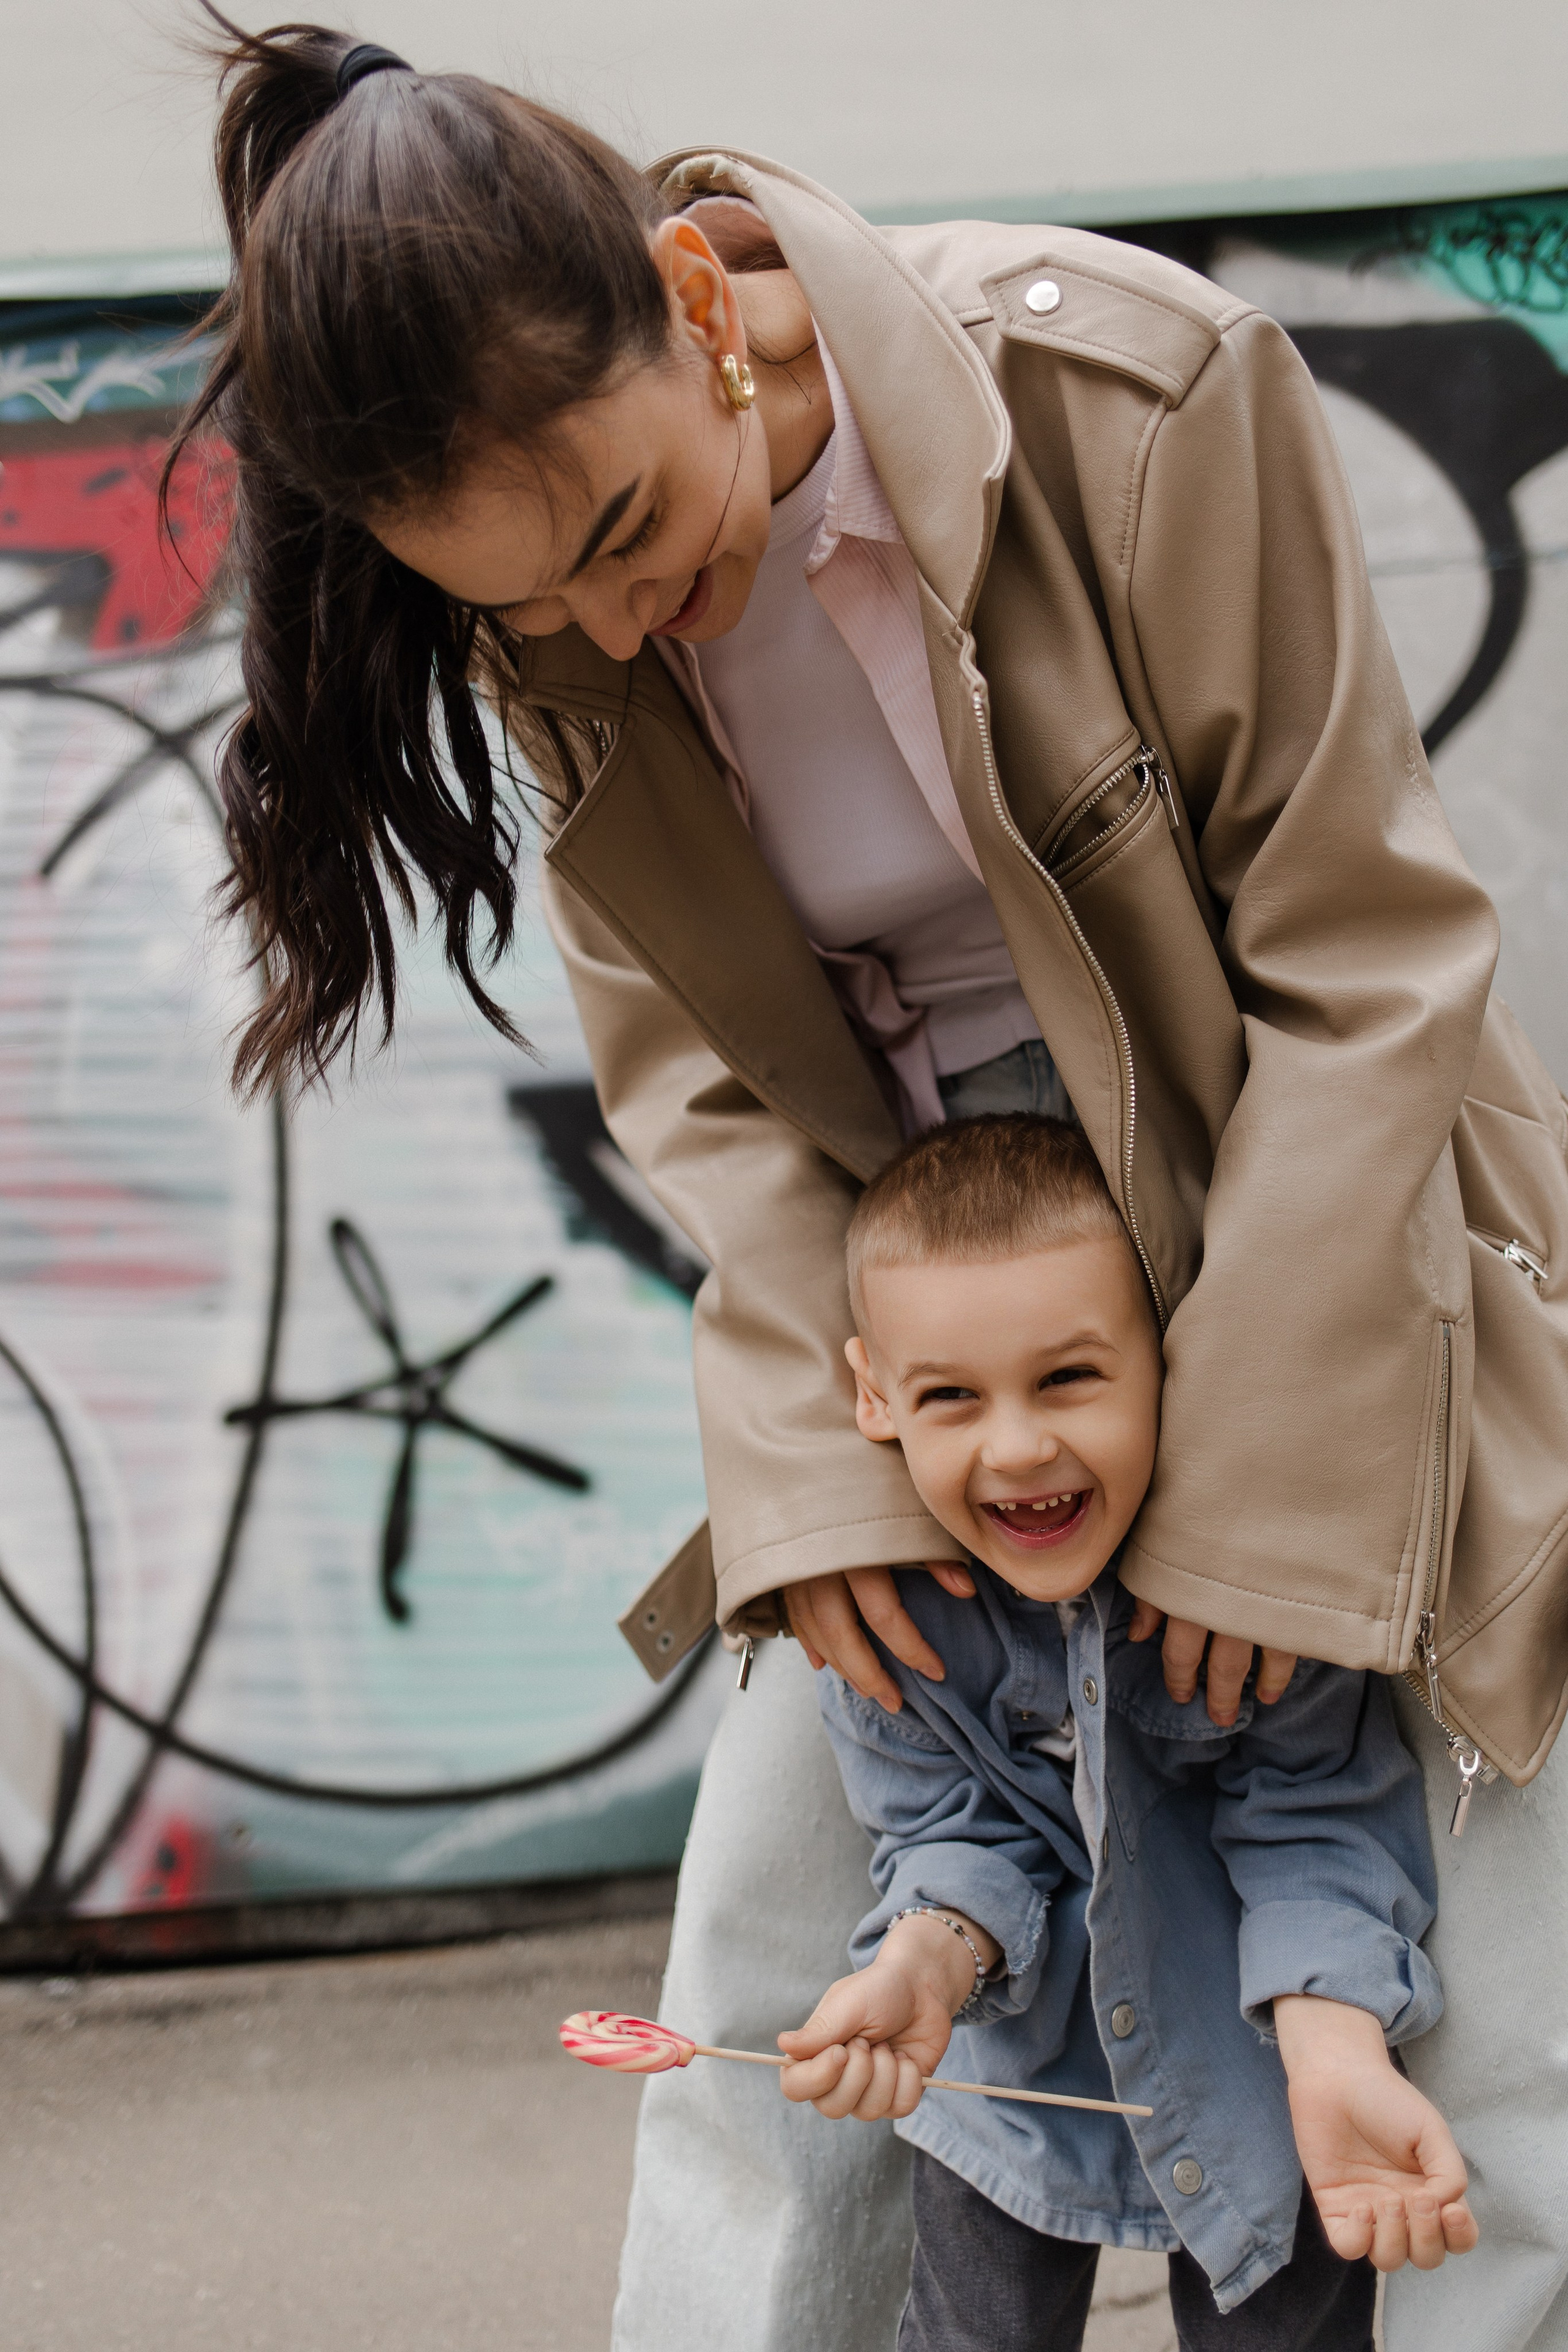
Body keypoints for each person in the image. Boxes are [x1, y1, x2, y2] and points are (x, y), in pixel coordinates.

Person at [177, 18, 1568, 2351]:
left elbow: (1367, 954)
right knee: (783, 1948)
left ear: (702, 304)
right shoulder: (556, 593)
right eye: (528, 611)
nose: (611, 631)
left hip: (1301, 1242)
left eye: (625, 530)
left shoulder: (1137, 392)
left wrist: (1257, 1475)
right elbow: (699, 1087)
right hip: (916, 1301)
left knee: (1489, 1980)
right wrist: (830, 1475)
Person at [777, 1110, 1473, 2349]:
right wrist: (919, 1963)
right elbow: (948, 1836)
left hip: (1257, 2065)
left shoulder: (1255, 1593)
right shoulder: (884, 1623)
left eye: (1068, 1377)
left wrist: (1333, 2041)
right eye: (950, 1397)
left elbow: (1315, 1818)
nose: (1017, 1446)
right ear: (871, 1395)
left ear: (1167, 1355)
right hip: (1004, 2077)